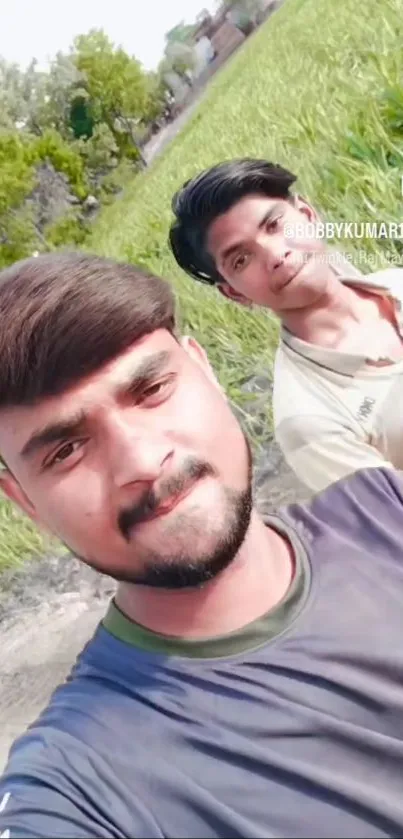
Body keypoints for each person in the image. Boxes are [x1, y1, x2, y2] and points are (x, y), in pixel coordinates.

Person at [1, 252, 403, 839]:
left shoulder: (384, 508)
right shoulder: (80, 781)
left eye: (152, 389)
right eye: (65, 451)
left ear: (205, 373)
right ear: (25, 502)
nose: (141, 461)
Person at [169, 158, 403, 493]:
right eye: (241, 259)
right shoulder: (309, 421)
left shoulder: (396, 282)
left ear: (308, 215)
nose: (276, 255)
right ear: (234, 292)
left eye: (274, 226)